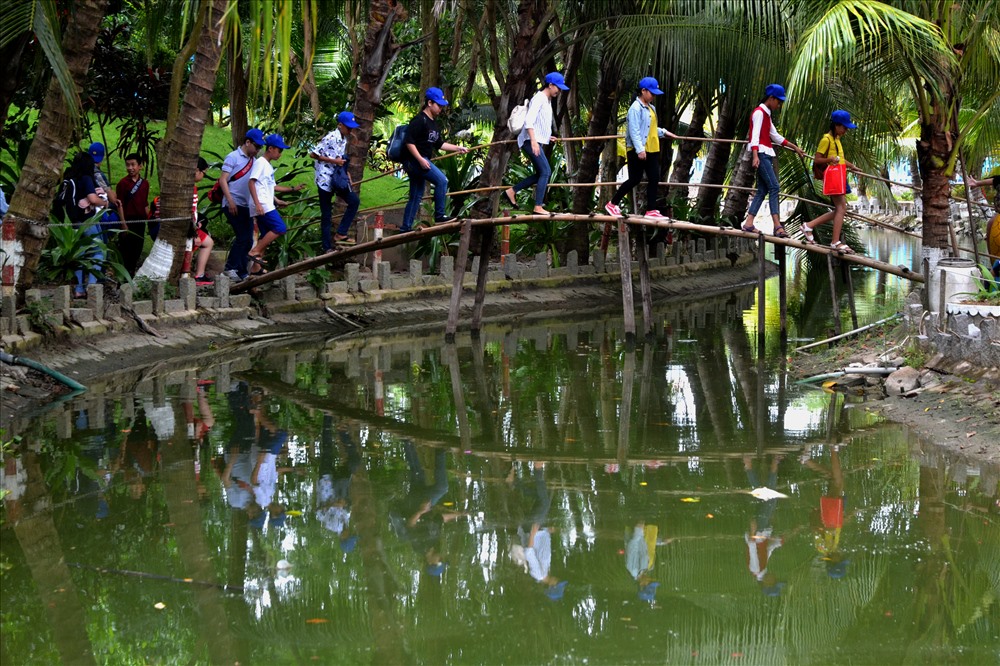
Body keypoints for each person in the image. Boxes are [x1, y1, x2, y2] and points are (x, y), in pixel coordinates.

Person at [604, 77, 679, 219]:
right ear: (643, 91)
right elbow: (634, 130)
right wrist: (639, 149)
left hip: (652, 148)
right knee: (635, 179)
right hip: (639, 149)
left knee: (654, 178)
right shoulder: (635, 108)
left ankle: (651, 210)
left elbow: (650, 128)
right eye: (652, 93)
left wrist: (663, 132)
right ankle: (612, 204)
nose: (654, 96)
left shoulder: (651, 108)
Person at [740, 84, 806, 238]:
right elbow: (754, 136)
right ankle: (777, 226)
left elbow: (775, 136)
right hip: (761, 154)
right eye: (778, 101)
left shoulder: (766, 114)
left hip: (765, 154)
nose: (779, 105)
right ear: (771, 98)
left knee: (763, 190)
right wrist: (755, 156)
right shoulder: (759, 113)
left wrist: (794, 147)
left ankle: (749, 223)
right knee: (774, 187)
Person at [401, 87, 469, 233]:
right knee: (442, 181)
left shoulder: (434, 124)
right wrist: (420, 159)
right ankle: (439, 215)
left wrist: (458, 148)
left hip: (420, 161)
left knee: (416, 195)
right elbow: (409, 142)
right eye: (439, 105)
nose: (441, 109)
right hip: (415, 161)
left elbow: (440, 144)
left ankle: (405, 228)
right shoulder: (419, 120)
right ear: (429, 103)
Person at [503, 72, 569, 214]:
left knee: (541, 173)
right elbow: (529, 121)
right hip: (529, 141)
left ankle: (512, 191)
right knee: (546, 171)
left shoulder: (547, 100)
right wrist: (533, 141)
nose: (559, 91)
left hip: (534, 140)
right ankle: (538, 206)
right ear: (550, 85)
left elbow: (541, 122)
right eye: (558, 87)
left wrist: (546, 136)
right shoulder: (539, 98)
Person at [246, 134, 305, 275]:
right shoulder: (260, 162)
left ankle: (256, 268)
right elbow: (251, 182)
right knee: (280, 228)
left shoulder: (268, 166)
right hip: (262, 205)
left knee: (266, 234)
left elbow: (272, 187)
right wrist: (258, 203)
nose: (280, 154)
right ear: (270, 149)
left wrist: (287, 193)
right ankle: (254, 251)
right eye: (279, 150)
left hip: (266, 203)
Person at [801, 110, 859, 254]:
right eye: (844, 127)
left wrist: (852, 166)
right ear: (836, 125)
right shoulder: (826, 139)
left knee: (840, 209)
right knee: (841, 208)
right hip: (833, 177)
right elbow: (817, 159)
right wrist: (829, 160)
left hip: (840, 176)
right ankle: (835, 242)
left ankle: (809, 226)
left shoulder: (837, 139)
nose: (846, 130)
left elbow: (840, 158)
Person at [311, 111, 362, 252]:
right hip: (324, 179)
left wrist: (347, 173)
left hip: (337, 178)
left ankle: (341, 233)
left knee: (354, 201)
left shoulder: (343, 139)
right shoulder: (330, 137)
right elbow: (314, 154)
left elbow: (341, 160)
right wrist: (334, 161)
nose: (350, 130)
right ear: (340, 125)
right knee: (326, 214)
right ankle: (326, 247)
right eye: (348, 127)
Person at [219, 128, 263, 281]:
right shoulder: (233, 157)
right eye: (256, 147)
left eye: (260, 148)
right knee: (242, 236)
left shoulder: (254, 161)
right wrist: (230, 200)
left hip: (246, 206)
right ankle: (230, 268)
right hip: (233, 203)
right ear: (247, 142)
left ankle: (242, 271)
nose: (257, 150)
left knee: (249, 239)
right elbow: (222, 179)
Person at [64, 151, 110, 298]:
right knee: (99, 252)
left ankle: (79, 289)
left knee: (80, 255)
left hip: (74, 223)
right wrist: (105, 203)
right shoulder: (86, 178)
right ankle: (92, 285)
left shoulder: (71, 178)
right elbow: (93, 198)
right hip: (87, 221)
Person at [115, 152, 150, 275]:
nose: (130, 168)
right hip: (128, 221)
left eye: (133, 165)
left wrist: (150, 219)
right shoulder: (122, 184)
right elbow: (120, 204)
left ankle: (132, 274)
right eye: (128, 165)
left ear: (140, 166)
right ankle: (124, 277)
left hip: (140, 222)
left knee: (137, 250)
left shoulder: (145, 184)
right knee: (126, 251)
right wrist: (123, 224)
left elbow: (145, 203)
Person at [191, 157, 215, 284]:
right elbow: (189, 211)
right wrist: (195, 231)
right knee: (208, 242)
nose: (203, 176)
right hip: (189, 228)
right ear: (196, 170)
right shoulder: (192, 189)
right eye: (203, 173)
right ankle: (199, 275)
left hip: (192, 225)